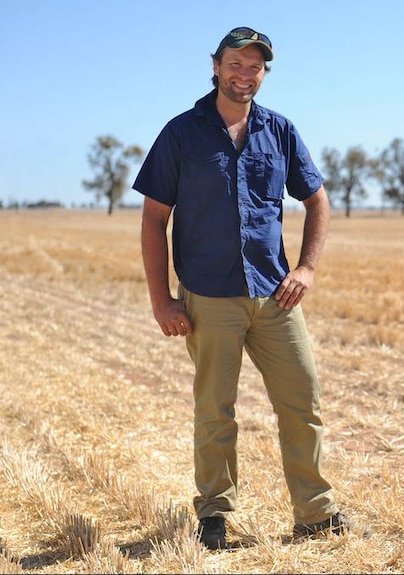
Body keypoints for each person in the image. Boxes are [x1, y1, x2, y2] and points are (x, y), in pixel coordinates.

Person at [134, 26, 355, 550]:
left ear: (264, 73)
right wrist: (162, 299)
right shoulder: (180, 133)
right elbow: (152, 220)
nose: (245, 74)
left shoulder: (279, 131)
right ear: (215, 65)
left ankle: (316, 515)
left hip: (274, 294)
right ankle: (214, 515)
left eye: (255, 66)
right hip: (209, 296)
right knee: (216, 408)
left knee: (302, 400)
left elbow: (317, 201)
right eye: (236, 63)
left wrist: (307, 268)